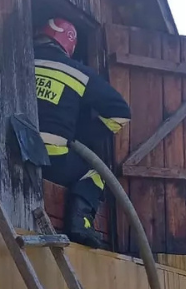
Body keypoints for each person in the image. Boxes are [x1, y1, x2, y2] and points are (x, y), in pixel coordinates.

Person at [34, 18, 132, 249]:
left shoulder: (19, 63)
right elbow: (120, 114)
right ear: (68, 45)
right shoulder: (79, 73)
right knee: (97, 172)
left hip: (14, 149)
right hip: (53, 159)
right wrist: (79, 138)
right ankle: (80, 222)